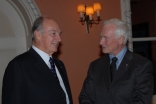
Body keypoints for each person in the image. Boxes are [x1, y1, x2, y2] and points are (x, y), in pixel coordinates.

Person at [79, 18, 154, 104]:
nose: (101, 42)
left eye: (105, 38)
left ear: (120, 39)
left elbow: (141, 100)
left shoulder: (141, 65)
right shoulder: (95, 66)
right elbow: (85, 97)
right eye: (101, 37)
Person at [2, 16, 73, 104]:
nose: (59, 39)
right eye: (53, 33)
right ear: (37, 35)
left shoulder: (59, 64)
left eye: (59, 34)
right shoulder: (18, 66)